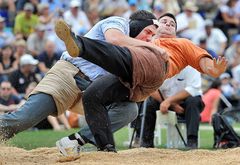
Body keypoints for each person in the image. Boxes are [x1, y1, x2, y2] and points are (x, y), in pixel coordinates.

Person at [54, 13, 227, 152]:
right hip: (134, 79)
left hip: (155, 67)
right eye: (163, 21)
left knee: (126, 54)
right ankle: (106, 148)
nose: (167, 24)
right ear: (154, 28)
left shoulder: (183, 43)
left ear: (176, 31)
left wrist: (215, 69)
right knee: (92, 95)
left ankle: (81, 45)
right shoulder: (144, 39)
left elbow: (207, 66)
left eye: (172, 24)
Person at [0, 10, 158, 152]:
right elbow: (114, 39)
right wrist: (154, 48)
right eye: (148, 32)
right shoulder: (118, 22)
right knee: (25, 119)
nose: (149, 38)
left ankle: (75, 141)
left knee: (129, 110)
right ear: (136, 25)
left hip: (94, 91)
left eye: (152, 36)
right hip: (68, 75)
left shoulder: (137, 51)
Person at [139, 66, 204, 149]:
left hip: (185, 102)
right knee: (149, 103)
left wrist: (169, 102)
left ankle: (192, 141)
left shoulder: (191, 67)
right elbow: (150, 87)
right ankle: (146, 141)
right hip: (163, 101)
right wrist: (170, 104)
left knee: (194, 101)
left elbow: (192, 89)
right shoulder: (159, 64)